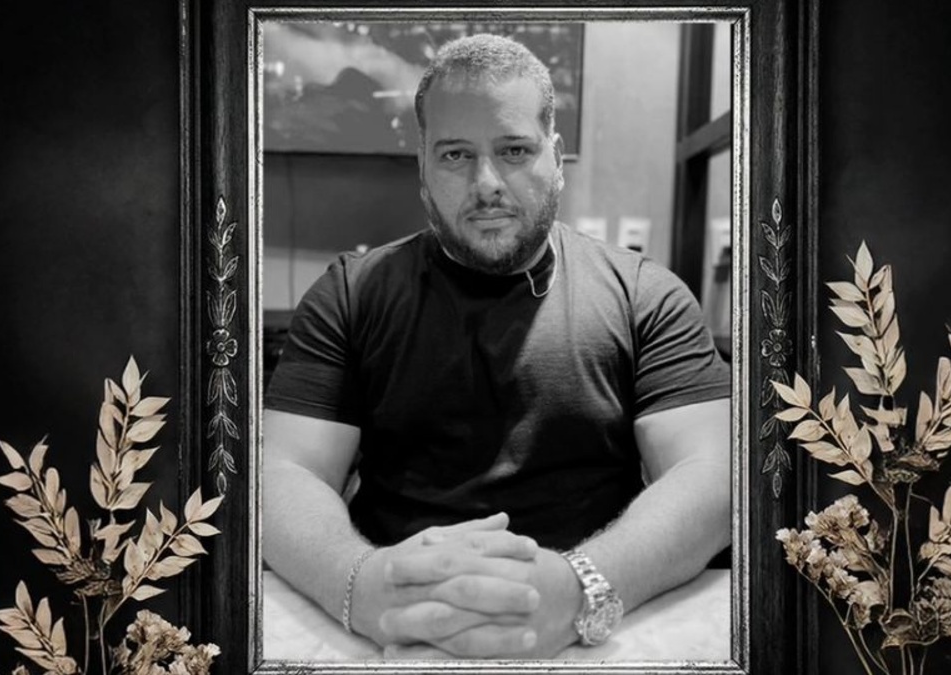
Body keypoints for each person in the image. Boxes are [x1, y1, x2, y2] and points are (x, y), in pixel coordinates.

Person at [262, 33, 731, 660]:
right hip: (392, 632)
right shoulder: (350, 293)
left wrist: (581, 587)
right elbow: (282, 473)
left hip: (595, 628)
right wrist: (360, 584)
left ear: (554, 157)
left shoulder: (646, 295)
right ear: (423, 166)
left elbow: (716, 475)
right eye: (456, 154)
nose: (486, 183)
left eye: (514, 150)